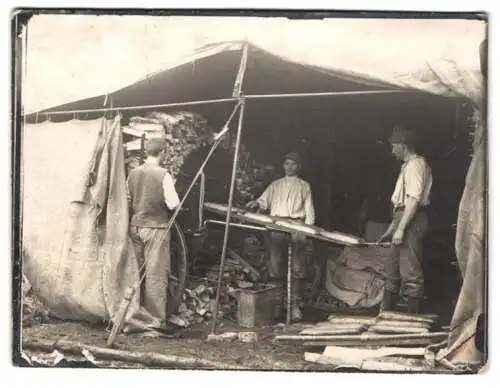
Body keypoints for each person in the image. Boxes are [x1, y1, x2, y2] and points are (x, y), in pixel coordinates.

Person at [246, 152, 315, 321]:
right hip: (277, 224)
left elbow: (309, 210)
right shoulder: (275, 185)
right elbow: (264, 201)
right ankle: (277, 305)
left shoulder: (304, 185)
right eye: (287, 163)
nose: (289, 167)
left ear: (299, 167)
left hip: (297, 225)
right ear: (283, 165)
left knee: (298, 266)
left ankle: (294, 306)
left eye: (293, 164)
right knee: (276, 264)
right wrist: (256, 203)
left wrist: (308, 230)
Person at [378, 125, 433, 314]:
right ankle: (386, 315)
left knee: (410, 271)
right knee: (391, 269)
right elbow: (400, 205)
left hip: (412, 220)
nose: (392, 150)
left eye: (394, 146)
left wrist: (401, 229)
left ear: (403, 145)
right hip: (403, 218)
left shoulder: (417, 165)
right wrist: (392, 229)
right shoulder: (406, 166)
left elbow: (413, 199)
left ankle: (412, 319)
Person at [126, 138, 181, 322]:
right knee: (155, 274)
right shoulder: (163, 174)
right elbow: (174, 204)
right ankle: (155, 320)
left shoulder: (133, 173)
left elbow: (127, 199)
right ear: (163, 153)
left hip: (135, 227)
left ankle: (134, 313)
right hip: (156, 228)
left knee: (136, 271)